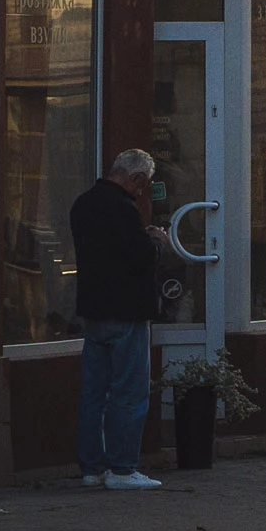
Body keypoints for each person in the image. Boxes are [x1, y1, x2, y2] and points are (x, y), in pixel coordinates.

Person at [70, 148, 175, 491]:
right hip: (126, 312)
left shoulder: (83, 204)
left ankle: (92, 468)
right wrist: (157, 240)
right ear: (136, 179)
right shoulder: (123, 208)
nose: (143, 192)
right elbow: (141, 257)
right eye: (144, 185)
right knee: (129, 392)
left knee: (94, 393)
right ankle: (123, 468)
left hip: (94, 311)